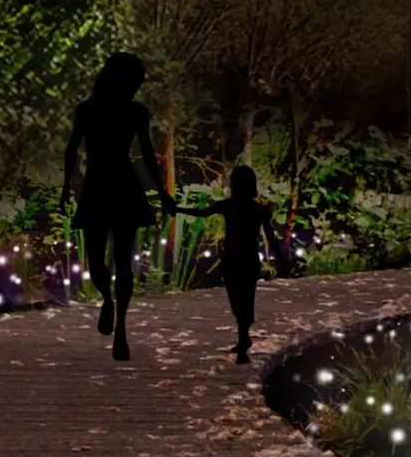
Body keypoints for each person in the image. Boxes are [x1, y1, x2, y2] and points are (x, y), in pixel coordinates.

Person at [60, 52, 175, 361]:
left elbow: (147, 154)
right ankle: (108, 301)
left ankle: (121, 330)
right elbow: (72, 148)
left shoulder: (131, 111)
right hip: (108, 185)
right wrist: (66, 186)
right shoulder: (91, 110)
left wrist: (162, 192)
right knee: (97, 261)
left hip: (113, 185)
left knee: (122, 261)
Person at [173, 165, 286, 364]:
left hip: (232, 257)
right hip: (249, 258)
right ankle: (244, 338)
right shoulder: (257, 209)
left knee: (235, 297)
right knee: (246, 297)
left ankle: (243, 340)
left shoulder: (228, 205)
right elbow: (270, 235)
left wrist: (177, 209)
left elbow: (202, 212)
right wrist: (282, 259)